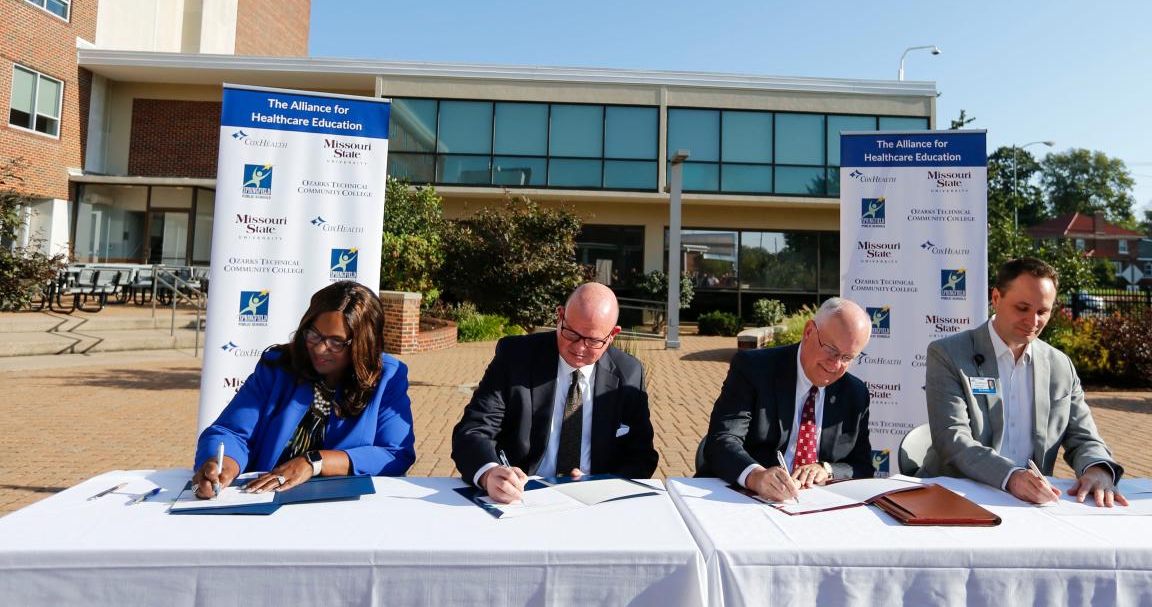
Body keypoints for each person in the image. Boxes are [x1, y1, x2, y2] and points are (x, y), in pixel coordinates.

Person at [921, 256, 1128, 507]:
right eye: (1022, 308)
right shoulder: (949, 353)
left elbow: (1084, 437)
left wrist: (1098, 469)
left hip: (1031, 505)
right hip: (956, 498)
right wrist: (1011, 477)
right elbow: (952, 438)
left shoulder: (1060, 365)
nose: (1033, 322)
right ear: (996, 298)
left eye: (1042, 312)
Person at [191, 281, 416, 498]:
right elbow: (230, 432)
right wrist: (224, 465)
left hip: (342, 508)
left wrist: (315, 462)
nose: (319, 348)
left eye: (336, 342)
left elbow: (395, 454)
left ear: (362, 343)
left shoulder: (386, 377)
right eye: (314, 334)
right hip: (266, 501)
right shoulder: (278, 366)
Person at [451, 282, 658, 504]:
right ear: (560, 316)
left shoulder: (629, 372)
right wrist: (489, 474)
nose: (579, 348)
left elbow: (641, 456)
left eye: (593, 341)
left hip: (594, 502)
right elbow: (473, 431)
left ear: (612, 335)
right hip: (521, 497)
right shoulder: (516, 357)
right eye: (571, 333)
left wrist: (603, 484)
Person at [698, 297, 874, 503]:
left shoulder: (855, 393)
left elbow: (862, 466)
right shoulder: (753, 369)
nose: (835, 365)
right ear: (809, 332)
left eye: (847, 358)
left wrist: (826, 470)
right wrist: (756, 477)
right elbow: (721, 441)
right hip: (739, 500)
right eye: (831, 350)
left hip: (811, 508)